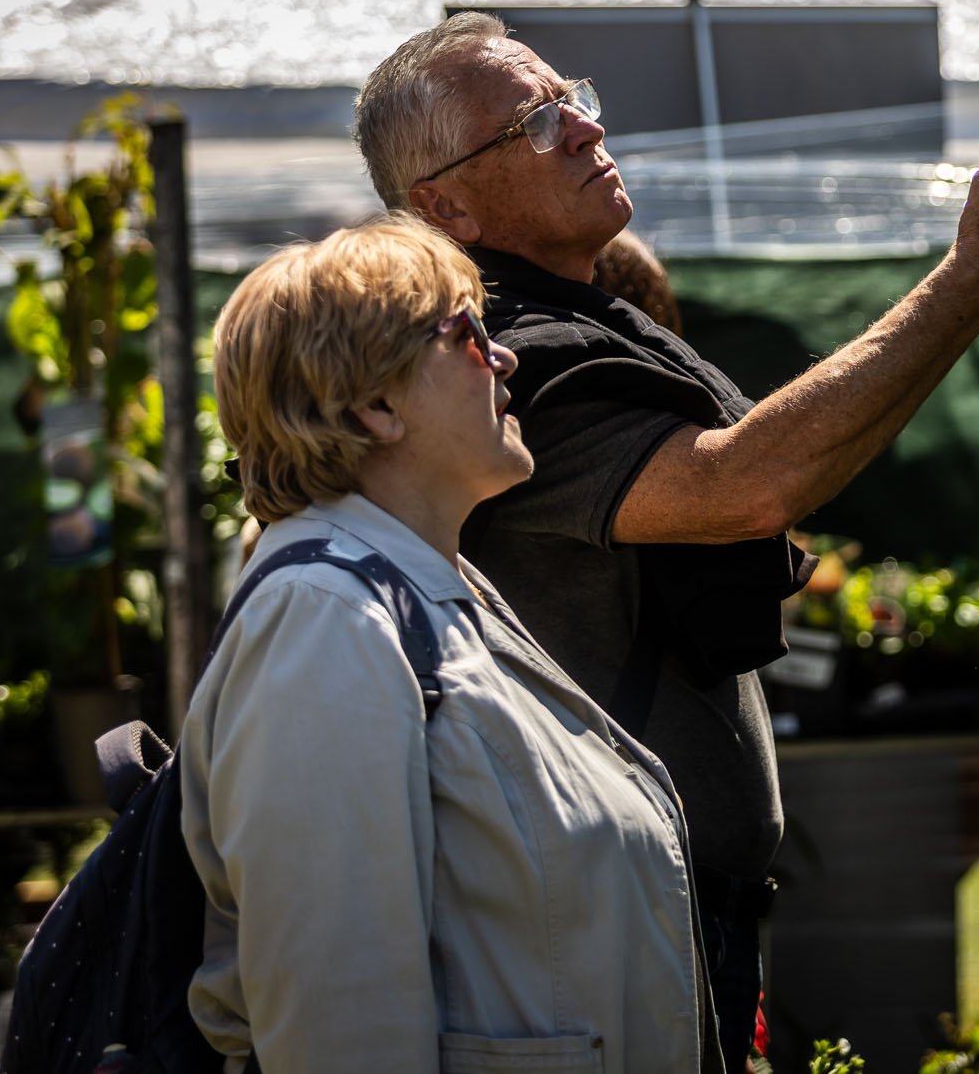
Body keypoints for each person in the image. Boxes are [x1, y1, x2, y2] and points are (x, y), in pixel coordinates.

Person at [354, 12, 979, 1068]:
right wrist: (976, 272)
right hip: (600, 925)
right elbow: (747, 485)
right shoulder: (499, 368)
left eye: (572, 98)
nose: (584, 127)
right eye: (534, 123)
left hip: (649, 904)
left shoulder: (575, 321)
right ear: (443, 205)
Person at [182, 216, 717, 1074]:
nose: (502, 356)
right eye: (465, 330)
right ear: (375, 404)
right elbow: (341, 1030)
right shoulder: (325, 619)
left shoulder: (418, 584)